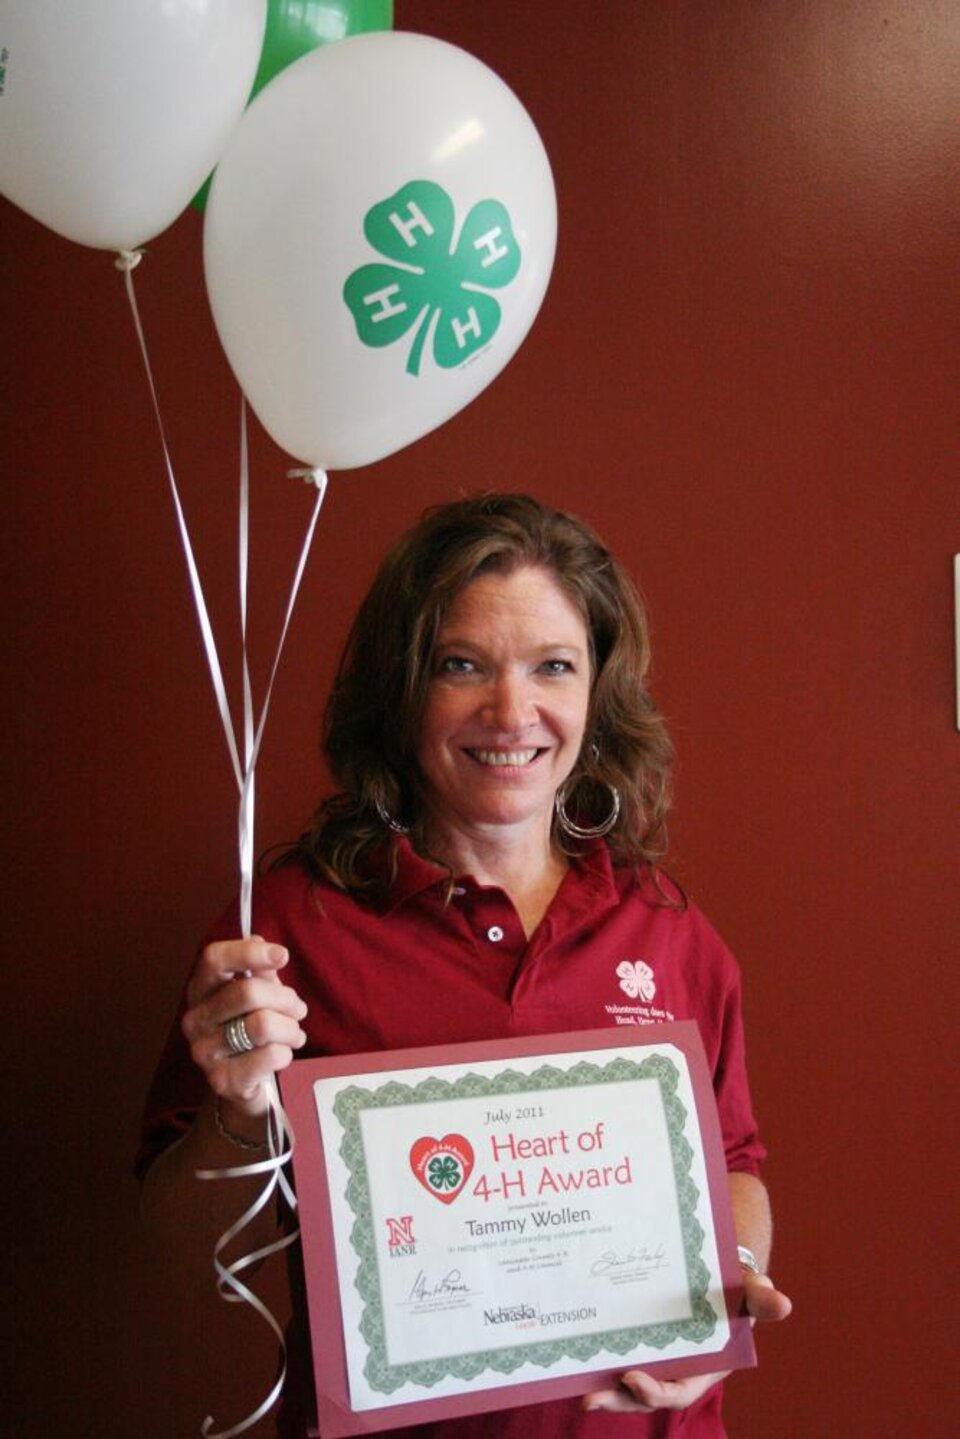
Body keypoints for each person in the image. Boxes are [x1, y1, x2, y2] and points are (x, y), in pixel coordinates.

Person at [139, 492, 791, 1438]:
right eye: (462, 665)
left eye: (553, 666)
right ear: (403, 689)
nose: (512, 711)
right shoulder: (289, 928)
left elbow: (734, 1167)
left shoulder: (667, 930)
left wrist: (717, 1294)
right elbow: (179, 1249)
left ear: (597, 693)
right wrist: (240, 1117)